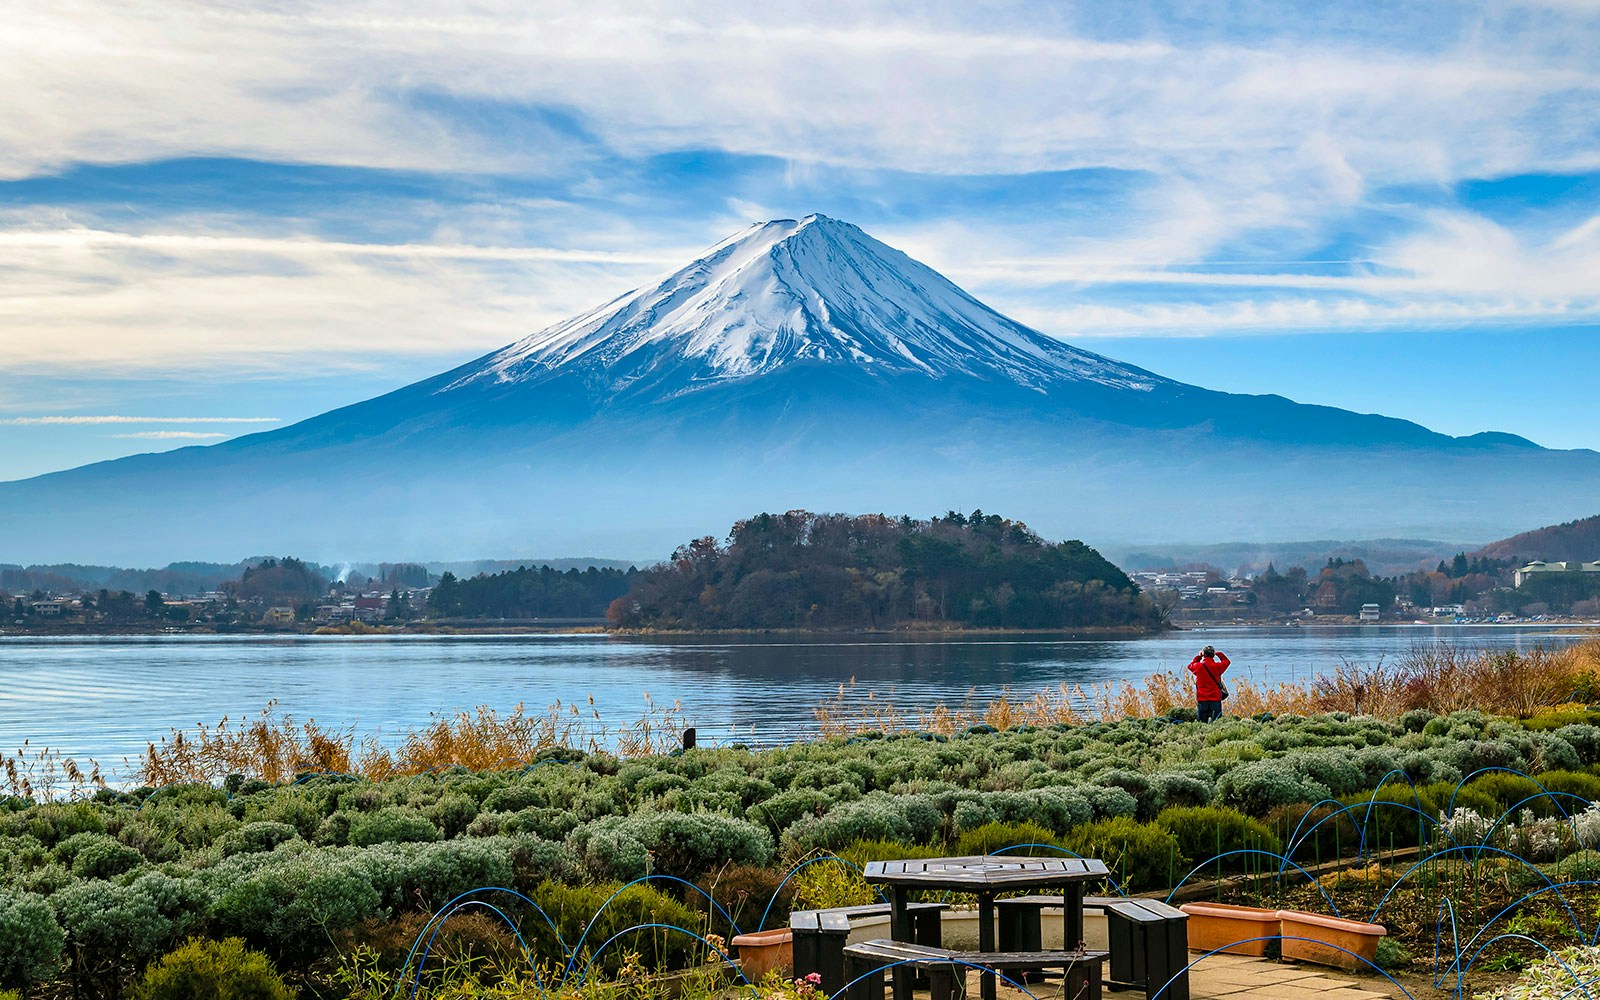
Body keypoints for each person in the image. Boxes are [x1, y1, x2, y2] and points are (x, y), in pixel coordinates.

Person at [1188, 644, 1230, 723]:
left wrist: (1199, 656)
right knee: (1217, 722)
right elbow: (1226, 661)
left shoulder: (1198, 666)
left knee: (1202, 723)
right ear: (1213, 655)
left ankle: (1202, 734)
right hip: (1215, 698)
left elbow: (1190, 666)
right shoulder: (1217, 667)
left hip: (1202, 698)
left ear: (1203, 654)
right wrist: (1218, 653)